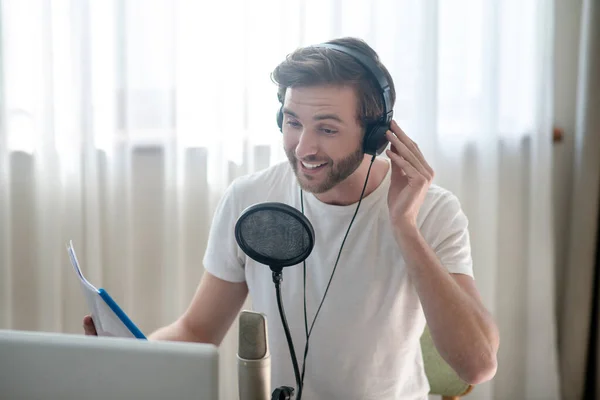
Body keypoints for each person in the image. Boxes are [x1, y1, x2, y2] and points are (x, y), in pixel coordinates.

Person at [84, 37, 499, 399]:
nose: (303, 148)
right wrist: (127, 359)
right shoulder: (250, 198)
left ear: (376, 135)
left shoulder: (432, 211)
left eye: (328, 129)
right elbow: (197, 331)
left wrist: (404, 227)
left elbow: (477, 365)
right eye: (292, 122)